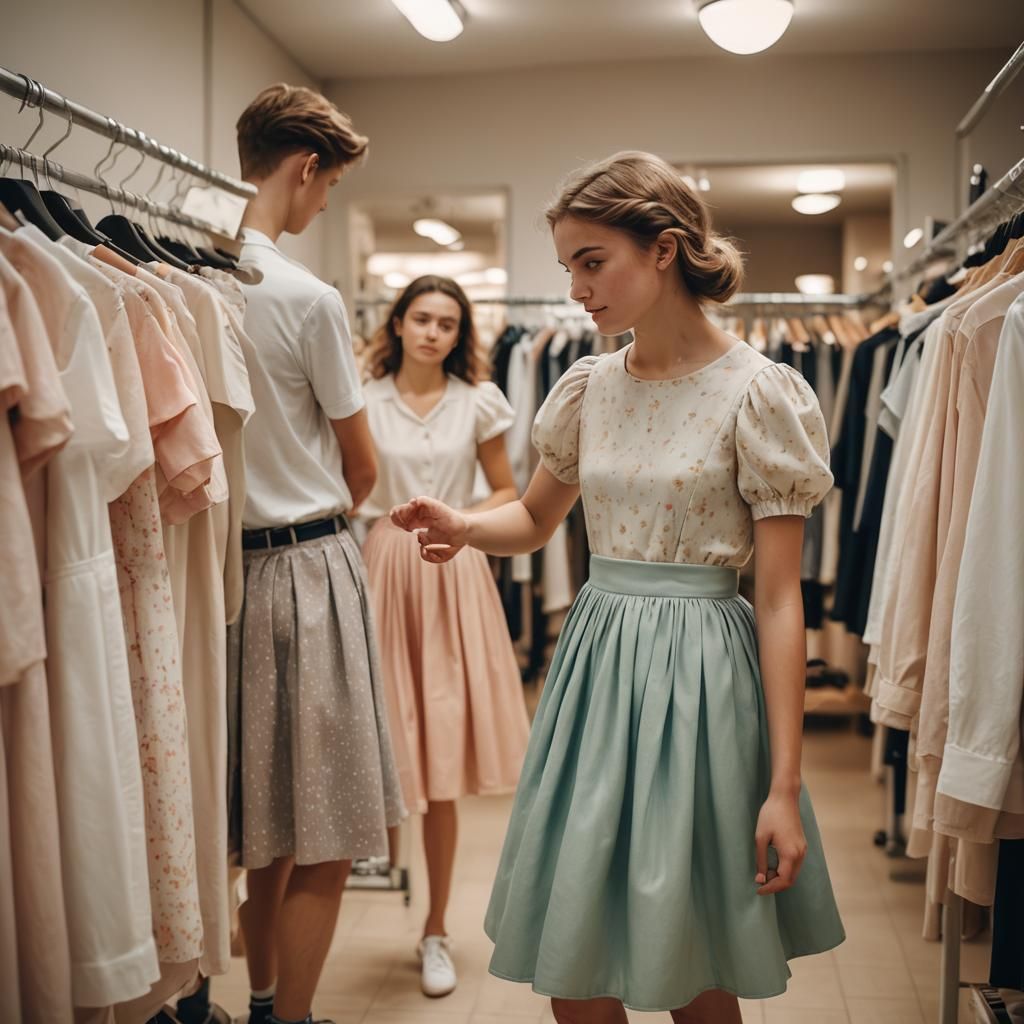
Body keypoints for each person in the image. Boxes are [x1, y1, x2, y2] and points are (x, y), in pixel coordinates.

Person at [390, 151, 846, 1023]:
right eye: (567, 266)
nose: (575, 289)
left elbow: (782, 600)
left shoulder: (760, 393)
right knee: (579, 956)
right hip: (596, 676)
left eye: (591, 262)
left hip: (705, 682)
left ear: (665, 250)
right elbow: (532, 519)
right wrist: (464, 527)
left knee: (697, 952)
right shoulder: (587, 387)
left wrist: (783, 785)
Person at [226, 83, 405, 1024]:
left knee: (258, 820)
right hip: (308, 567)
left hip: (221, 573)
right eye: (329, 185)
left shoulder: (193, 273)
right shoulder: (305, 295)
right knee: (328, 824)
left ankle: (253, 999)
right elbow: (361, 462)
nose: (326, 201)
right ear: (303, 169)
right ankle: (287, 1020)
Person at [359, 275, 531, 997]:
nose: (433, 333)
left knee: (442, 752)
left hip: (451, 563)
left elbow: (506, 491)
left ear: (461, 336)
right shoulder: (360, 399)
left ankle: (435, 928)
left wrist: (455, 516)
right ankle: (363, 883)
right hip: (381, 568)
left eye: (448, 324)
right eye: (422, 319)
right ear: (398, 324)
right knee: (379, 743)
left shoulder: (478, 403)